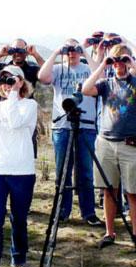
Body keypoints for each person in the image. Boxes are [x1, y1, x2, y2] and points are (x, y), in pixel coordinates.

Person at [81, 42, 136, 251]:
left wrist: (135, 65)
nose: (118, 65)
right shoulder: (105, 84)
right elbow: (86, 89)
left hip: (131, 144)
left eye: (123, 60)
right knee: (109, 191)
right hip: (106, 143)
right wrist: (103, 64)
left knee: (132, 192)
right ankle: (109, 232)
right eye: (115, 60)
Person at [0, 65, 39, 267]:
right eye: (2, 80)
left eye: (11, 80)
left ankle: (19, 258)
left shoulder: (30, 105)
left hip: (21, 170)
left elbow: (15, 122)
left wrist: (14, 91)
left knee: (19, 218)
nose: (6, 84)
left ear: (22, 82)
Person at [38, 38, 102, 227]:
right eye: (69, 50)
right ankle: (62, 211)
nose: (71, 53)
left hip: (86, 124)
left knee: (86, 172)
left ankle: (88, 212)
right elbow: (43, 77)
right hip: (62, 126)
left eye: (75, 50)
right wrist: (57, 52)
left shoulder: (87, 68)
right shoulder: (58, 69)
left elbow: (101, 73)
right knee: (62, 172)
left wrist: (84, 51)